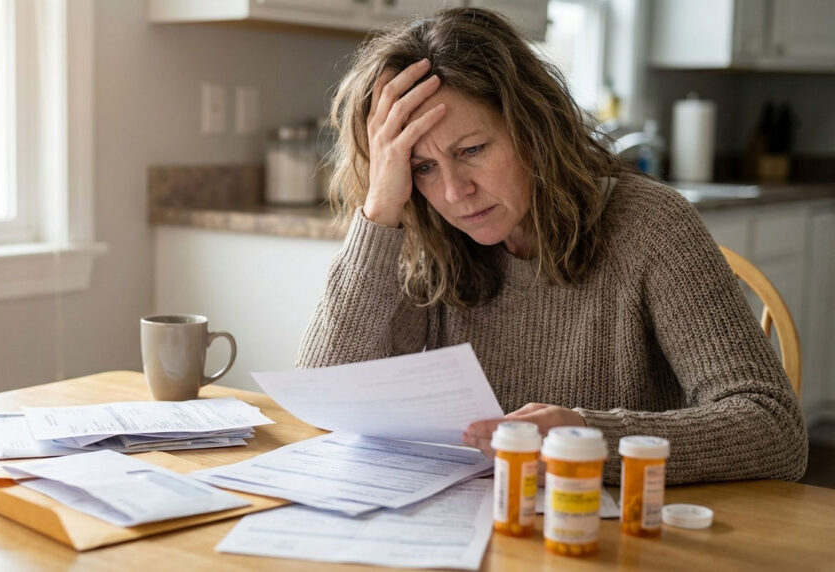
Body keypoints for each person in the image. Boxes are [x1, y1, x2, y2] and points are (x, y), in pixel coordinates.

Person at [296, 7, 807, 485]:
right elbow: (326, 399)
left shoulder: (653, 226)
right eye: (423, 166)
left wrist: (585, 438)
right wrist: (380, 210)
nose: (454, 193)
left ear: (533, 127)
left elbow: (775, 430)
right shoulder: (429, 235)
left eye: (471, 150)